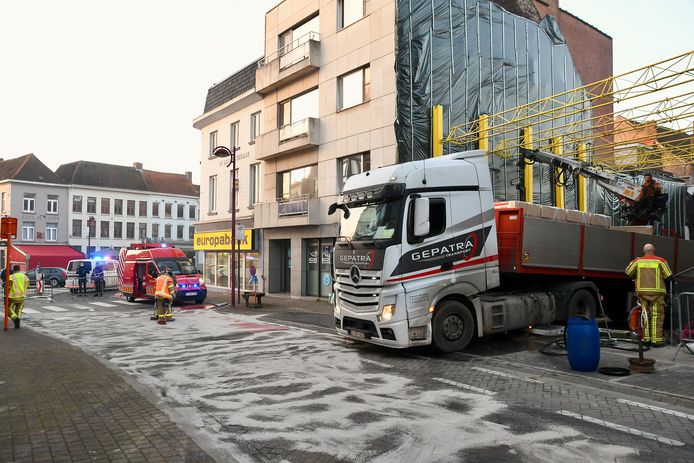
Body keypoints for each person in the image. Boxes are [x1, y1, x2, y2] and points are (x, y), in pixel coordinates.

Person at [625, 243, 672, 347]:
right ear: (654, 250)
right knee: (657, 317)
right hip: (657, 294)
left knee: (644, 316)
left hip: (642, 294)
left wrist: (634, 263)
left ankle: (646, 339)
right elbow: (669, 276)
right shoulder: (661, 261)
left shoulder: (638, 261)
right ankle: (656, 341)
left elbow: (628, 273)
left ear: (644, 251)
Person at [8, 265, 29, 329]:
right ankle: (18, 323)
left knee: (8, 309)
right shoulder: (25, 277)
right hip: (22, 296)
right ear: (19, 269)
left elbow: (8, 287)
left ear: (14, 270)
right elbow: (27, 286)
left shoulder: (11, 277)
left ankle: (15, 319)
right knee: (19, 310)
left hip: (13, 297)